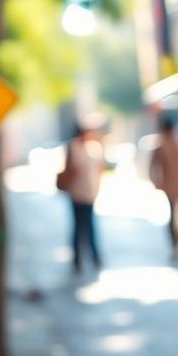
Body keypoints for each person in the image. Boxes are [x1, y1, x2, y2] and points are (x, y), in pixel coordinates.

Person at [60, 115, 107, 272]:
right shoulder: (73, 148)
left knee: (90, 225)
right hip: (77, 193)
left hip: (91, 192)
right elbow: (69, 169)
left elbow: (100, 167)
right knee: (80, 226)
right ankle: (79, 258)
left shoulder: (94, 147)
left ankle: (93, 256)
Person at [149, 110, 178, 260]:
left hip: (169, 184)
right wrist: (156, 182)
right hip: (169, 185)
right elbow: (153, 166)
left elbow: (152, 166)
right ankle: (174, 244)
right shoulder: (161, 144)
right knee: (172, 215)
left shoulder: (166, 142)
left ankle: (174, 244)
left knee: (173, 215)